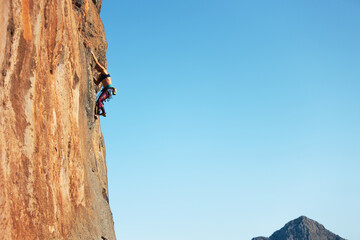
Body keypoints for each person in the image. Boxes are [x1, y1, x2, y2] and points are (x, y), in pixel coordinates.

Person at [91, 50, 116, 118]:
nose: (97, 69)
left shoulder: (104, 71)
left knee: (99, 100)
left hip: (109, 90)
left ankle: (98, 114)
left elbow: (97, 62)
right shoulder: (100, 76)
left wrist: (92, 54)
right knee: (99, 101)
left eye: (97, 68)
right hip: (107, 91)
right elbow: (96, 83)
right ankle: (104, 113)